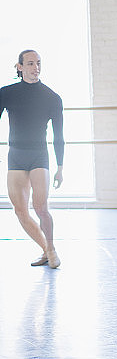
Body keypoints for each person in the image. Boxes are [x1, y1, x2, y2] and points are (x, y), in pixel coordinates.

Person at [0, 49, 64, 269]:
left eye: (38, 63)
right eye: (30, 64)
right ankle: (46, 250)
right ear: (19, 67)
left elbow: (59, 135)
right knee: (20, 211)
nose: (35, 67)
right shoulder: (6, 93)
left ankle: (52, 249)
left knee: (41, 207)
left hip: (39, 155)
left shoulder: (52, 97)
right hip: (15, 155)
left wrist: (60, 167)